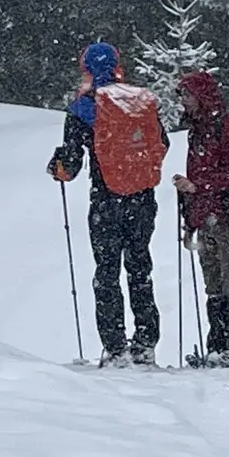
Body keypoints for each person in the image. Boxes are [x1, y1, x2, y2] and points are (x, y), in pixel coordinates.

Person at [47, 42, 168, 366]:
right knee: (140, 268)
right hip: (143, 199)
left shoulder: (83, 107)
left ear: (87, 68)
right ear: (117, 64)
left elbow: (70, 165)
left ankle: (115, 347)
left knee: (107, 273)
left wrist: (57, 166)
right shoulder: (141, 101)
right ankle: (145, 342)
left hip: (106, 201)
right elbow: (163, 143)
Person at [171, 70, 229, 366]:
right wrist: (191, 219)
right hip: (208, 215)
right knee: (215, 284)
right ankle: (219, 348)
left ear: (202, 96)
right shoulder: (199, 128)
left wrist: (198, 187)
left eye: (187, 95)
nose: (183, 102)